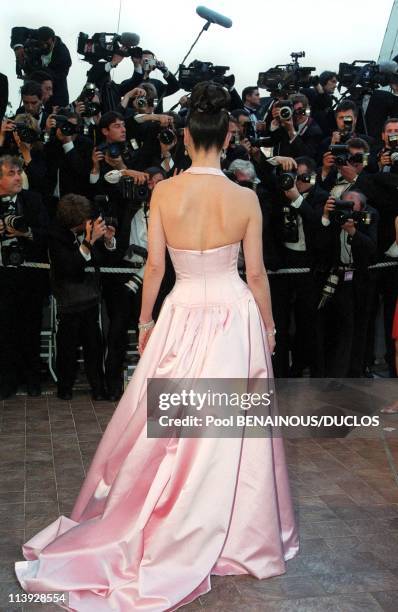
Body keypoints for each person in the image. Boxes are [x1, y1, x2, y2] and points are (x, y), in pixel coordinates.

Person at [15, 81, 299, 610]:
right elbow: (256, 274)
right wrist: (270, 326)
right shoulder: (244, 196)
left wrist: (144, 323)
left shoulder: (165, 191)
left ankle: (171, 519)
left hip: (182, 311)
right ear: (227, 136)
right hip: (236, 316)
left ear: (188, 136)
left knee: (174, 424)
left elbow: (154, 267)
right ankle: (237, 535)